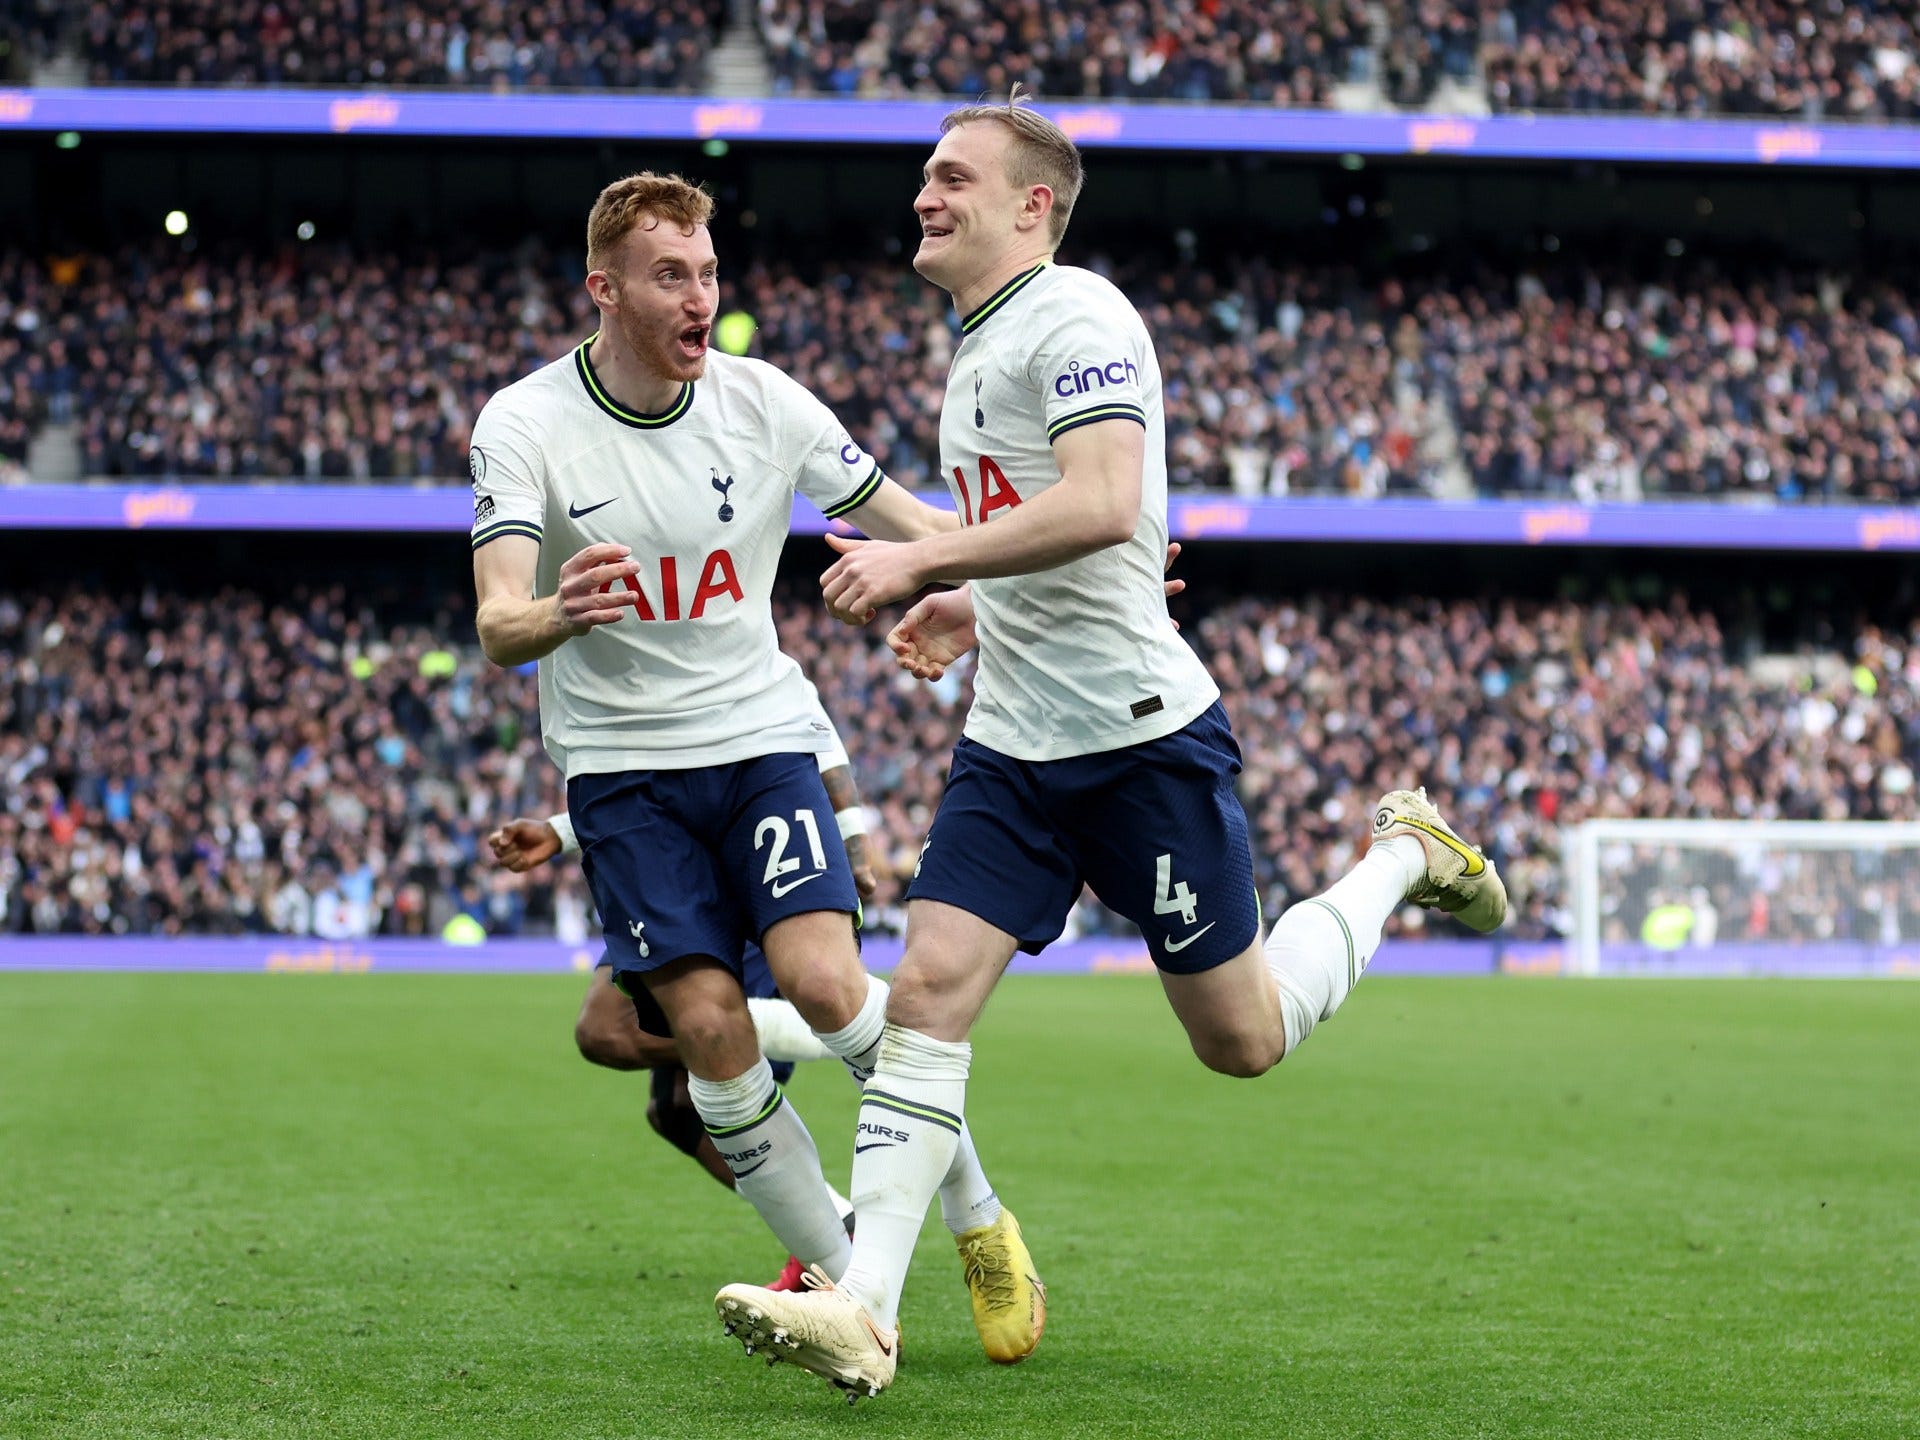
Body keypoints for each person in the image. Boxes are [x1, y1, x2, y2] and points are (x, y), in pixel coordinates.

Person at [713, 92, 1508, 1400]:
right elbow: (1081, 533)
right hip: (1016, 748)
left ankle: (1401, 857)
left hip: (1140, 748)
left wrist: (921, 554)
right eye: (924, 174)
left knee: (1241, 1038)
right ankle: (867, 1311)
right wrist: (968, 602)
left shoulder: (1076, 315)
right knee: (926, 997)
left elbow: (1102, 501)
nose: (925, 194)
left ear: (1032, 204)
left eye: (952, 176)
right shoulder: (980, 341)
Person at [468, 171, 1044, 1368]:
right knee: (707, 1030)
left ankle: (976, 1216)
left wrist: (1095, 565)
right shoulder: (521, 423)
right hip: (622, 778)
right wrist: (557, 614)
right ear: (605, 289)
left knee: (828, 987)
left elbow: (924, 525)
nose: (700, 298)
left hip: (760, 741)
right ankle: (852, 1295)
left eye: (709, 272)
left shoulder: (765, 403)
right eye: (670, 275)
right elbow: (495, 621)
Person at [487, 705, 877, 1289]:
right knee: (673, 1111)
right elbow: (654, 766)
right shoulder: (629, 660)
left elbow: (813, 735)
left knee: (607, 1028)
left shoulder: (727, 641)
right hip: (659, 858)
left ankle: (830, 1036)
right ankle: (829, 1230)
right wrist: (560, 831)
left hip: (728, 872)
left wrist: (855, 847)